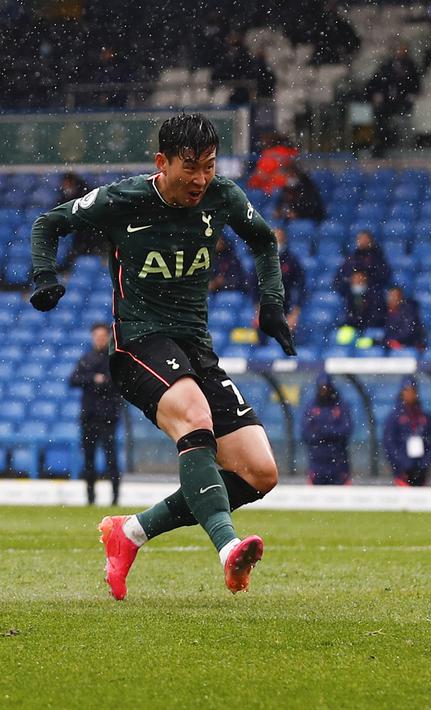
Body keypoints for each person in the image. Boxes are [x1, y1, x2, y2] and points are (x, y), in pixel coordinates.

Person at [29, 113, 297, 600]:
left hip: (195, 349)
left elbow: (262, 239)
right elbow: (49, 224)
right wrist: (45, 276)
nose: (200, 179)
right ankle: (227, 548)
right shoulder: (124, 199)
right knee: (194, 417)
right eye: (189, 167)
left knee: (259, 472)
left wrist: (272, 304)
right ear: (162, 162)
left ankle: (129, 533)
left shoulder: (223, 197)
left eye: (209, 167)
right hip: (137, 346)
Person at [69, 323, 124, 506]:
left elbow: (118, 383)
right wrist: (93, 379)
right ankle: (90, 498)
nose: (99, 339)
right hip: (89, 416)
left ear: (108, 337)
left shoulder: (113, 359)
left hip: (108, 417)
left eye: (102, 336)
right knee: (89, 459)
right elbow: (73, 380)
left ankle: (115, 497)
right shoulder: (86, 358)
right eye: (96, 336)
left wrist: (99, 381)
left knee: (111, 459)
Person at [365, 43, 422, 156]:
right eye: (399, 49)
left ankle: (394, 144)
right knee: (378, 117)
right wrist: (376, 94)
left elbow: (415, 85)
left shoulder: (410, 66)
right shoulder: (386, 66)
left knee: (398, 118)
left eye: (403, 50)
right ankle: (379, 145)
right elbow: (374, 83)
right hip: (387, 102)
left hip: (402, 102)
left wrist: (409, 96)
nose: (400, 52)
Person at [383, 376, 431, 486]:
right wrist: (404, 464)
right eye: (406, 390)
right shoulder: (394, 418)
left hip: (421, 473)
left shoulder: (425, 417)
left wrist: (423, 465)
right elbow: (390, 445)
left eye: (412, 390)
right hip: (402, 474)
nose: (409, 394)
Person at [301, 374, 353, 485]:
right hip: (317, 463)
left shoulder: (341, 406)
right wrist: (331, 432)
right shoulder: (311, 407)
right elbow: (306, 433)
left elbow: (346, 430)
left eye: (326, 387)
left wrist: (322, 431)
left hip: (339, 464)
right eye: (321, 387)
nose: (324, 390)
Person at [258, 227, 306, 335]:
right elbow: (253, 285)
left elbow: (300, 286)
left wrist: (294, 313)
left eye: (279, 239)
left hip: (286, 306)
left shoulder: (292, 260)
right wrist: (257, 310)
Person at [334, 230, 393, 296]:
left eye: (365, 239)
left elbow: (383, 277)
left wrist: (366, 279)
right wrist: (351, 279)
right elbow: (339, 278)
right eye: (360, 239)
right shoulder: (350, 260)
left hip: (373, 295)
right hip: (350, 296)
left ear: (371, 241)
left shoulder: (378, 259)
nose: (362, 242)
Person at [384, 286, 428, 351]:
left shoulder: (408, 310)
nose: (392, 298)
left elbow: (407, 331)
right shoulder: (383, 311)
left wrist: (393, 340)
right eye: (390, 296)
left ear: (400, 297)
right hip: (390, 345)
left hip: (409, 345)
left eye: (395, 296)